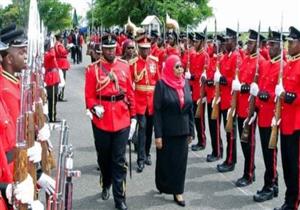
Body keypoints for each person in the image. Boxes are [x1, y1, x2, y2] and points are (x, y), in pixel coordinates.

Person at [85, 34, 136, 210]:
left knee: (119, 160)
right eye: (107, 49)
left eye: (112, 48)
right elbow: (89, 95)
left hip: (122, 118)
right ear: (102, 50)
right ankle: (105, 182)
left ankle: (119, 198)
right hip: (102, 118)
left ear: (116, 48)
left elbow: (130, 92)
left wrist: (134, 116)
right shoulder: (93, 69)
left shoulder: (124, 66)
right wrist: (93, 107)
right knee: (104, 158)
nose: (110, 51)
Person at [154, 55, 194, 207]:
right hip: (166, 131)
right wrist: (158, 135)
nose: (180, 69)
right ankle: (162, 184)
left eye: (181, 66)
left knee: (180, 163)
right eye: (176, 67)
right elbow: (157, 111)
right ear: (170, 68)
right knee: (165, 161)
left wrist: (191, 130)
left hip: (182, 130)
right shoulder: (161, 84)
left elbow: (190, 108)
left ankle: (178, 191)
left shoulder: (185, 83)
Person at [250, 30, 284, 202]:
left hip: (273, 116)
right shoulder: (265, 65)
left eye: (273, 44)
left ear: (281, 46)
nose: (269, 47)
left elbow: (280, 94)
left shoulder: (282, 66)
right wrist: (255, 105)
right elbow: (261, 85)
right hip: (262, 114)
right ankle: (273, 183)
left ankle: (270, 185)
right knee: (266, 152)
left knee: (270, 152)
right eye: (269, 44)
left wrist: (264, 95)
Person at [232, 29, 266, 187]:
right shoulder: (245, 59)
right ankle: (248, 169)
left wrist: (244, 88)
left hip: (250, 109)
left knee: (249, 143)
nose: (248, 45)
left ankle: (249, 174)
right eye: (248, 43)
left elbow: (258, 87)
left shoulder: (260, 62)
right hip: (240, 107)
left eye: (252, 43)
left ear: (258, 44)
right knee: (243, 141)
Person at [273, 26, 300, 210]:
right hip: (285, 123)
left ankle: (294, 203)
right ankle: (289, 200)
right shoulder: (288, 64)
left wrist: (285, 95)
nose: (288, 45)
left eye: (291, 42)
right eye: (288, 42)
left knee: (296, 167)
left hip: (297, 124)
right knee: (287, 165)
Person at [130, 35, 160, 173]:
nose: (145, 51)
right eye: (143, 49)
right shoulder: (134, 63)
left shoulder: (154, 62)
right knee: (142, 130)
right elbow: (131, 84)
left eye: (147, 49)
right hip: (140, 102)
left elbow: (158, 82)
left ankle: (147, 153)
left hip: (152, 102)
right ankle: (140, 159)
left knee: (149, 130)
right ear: (138, 48)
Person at [214, 28, 240, 173]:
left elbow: (236, 79)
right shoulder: (224, 57)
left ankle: (231, 160)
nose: (225, 42)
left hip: (231, 101)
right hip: (223, 100)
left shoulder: (236, 57)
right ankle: (228, 158)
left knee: (231, 133)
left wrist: (224, 79)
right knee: (227, 131)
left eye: (228, 40)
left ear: (235, 41)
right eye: (224, 40)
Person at [186, 32, 208, 151]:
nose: (194, 43)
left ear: (202, 42)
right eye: (194, 41)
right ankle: (199, 139)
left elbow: (204, 74)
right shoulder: (193, 55)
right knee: (195, 117)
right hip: (193, 90)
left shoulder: (205, 56)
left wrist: (192, 77)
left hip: (200, 91)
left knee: (200, 118)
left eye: (197, 41)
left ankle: (202, 141)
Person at [206, 34, 225, 162]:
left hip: (216, 97)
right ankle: (215, 149)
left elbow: (221, 80)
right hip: (209, 96)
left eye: (217, 42)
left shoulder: (222, 59)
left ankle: (218, 151)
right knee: (212, 127)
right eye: (213, 42)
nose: (214, 45)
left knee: (216, 127)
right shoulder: (212, 58)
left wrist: (212, 81)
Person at [44, 37, 61, 122]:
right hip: (51, 78)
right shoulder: (47, 54)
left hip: (54, 76)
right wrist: (51, 47)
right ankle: (52, 117)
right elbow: (53, 55)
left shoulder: (48, 53)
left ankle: (53, 115)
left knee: (54, 97)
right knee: (52, 98)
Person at [54, 33, 70, 102]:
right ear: (59, 38)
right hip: (62, 63)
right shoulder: (59, 45)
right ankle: (60, 95)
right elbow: (63, 53)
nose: (62, 39)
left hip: (59, 62)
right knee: (62, 80)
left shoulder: (56, 44)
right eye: (61, 38)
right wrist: (68, 49)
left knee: (59, 80)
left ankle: (58, 95)